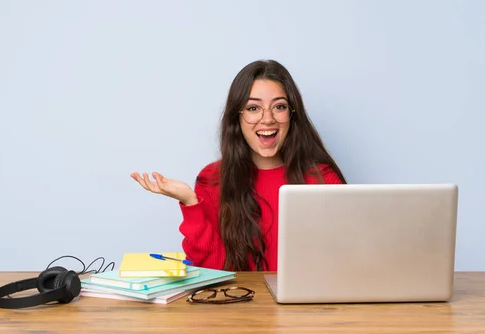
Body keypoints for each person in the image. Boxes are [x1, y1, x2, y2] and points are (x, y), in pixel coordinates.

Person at [131, 59, 346, 272]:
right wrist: (190, 203)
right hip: (240, 304)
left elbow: (346, 262)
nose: (268, 119)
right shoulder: (212, 179)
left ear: (292, 115)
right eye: (253, 108)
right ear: (237, 118)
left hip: (305, 305)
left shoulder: (323, 179)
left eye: (279, 106)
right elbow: (212, 271)